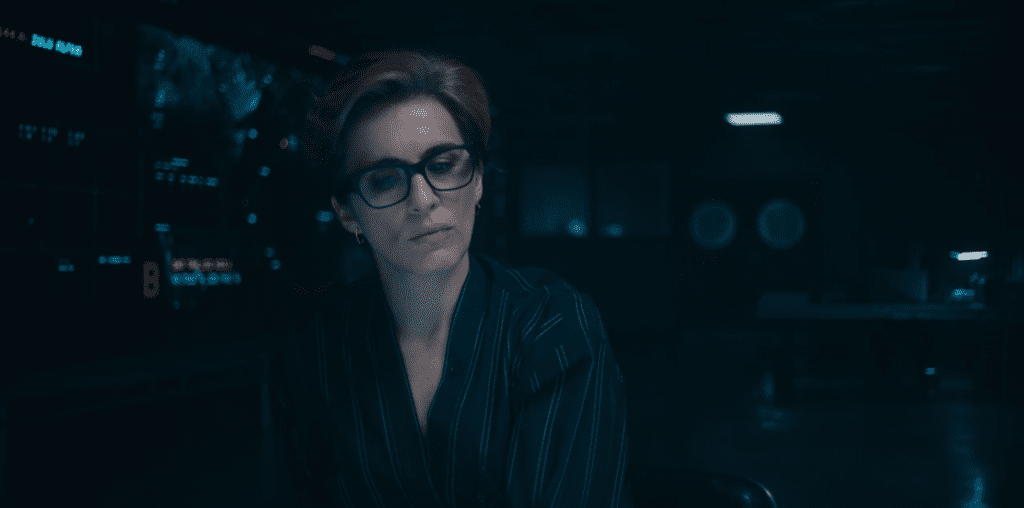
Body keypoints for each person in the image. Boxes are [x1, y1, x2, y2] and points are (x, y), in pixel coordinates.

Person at [269, 47, 633, 508]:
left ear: (477, 179)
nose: (422, 200)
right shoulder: (313, 352)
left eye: (442, 166)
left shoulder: (553, 328)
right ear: (347, 212)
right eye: (384, 179)